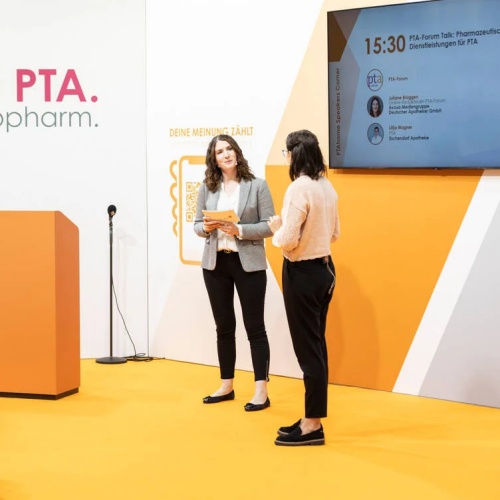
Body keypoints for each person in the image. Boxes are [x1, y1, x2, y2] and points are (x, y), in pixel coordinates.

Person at [268, 130, 339, 446]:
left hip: (302, 273)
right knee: (317, 346)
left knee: (308, 350)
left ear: (293, 154)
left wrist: (276, 228)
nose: (285, 158)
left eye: (285, 152)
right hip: (325, 270)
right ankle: (312, 417)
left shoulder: (299, 188)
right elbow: (335, 233)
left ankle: (312, 424)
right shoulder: (327, 187)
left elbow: (287, 240)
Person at [194, 134, 275, 412]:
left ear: (237, 153)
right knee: (224, 328)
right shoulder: (207, 188)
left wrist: (238, 229)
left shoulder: (257, 185)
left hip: (248, 263)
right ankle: (226, 385)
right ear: (214, 159)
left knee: (255, 328)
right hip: (216, 265)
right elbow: (196, 224)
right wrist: (206, 227)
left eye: (229, 149)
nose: (226, 154)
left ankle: (261, 391)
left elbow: (269, 226)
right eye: (219, 152)